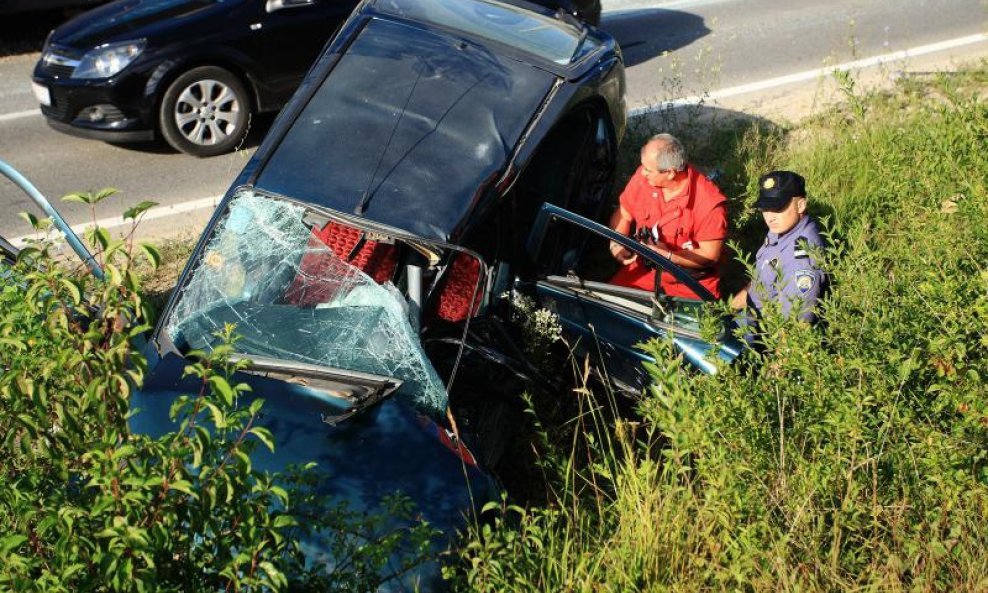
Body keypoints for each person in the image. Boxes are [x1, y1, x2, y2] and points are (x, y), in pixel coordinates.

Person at [608, 133, 728, 299]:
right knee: (608, 307)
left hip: (689, 282)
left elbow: (709, 255)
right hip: (644, 271)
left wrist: (669, 257)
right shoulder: (645, 179)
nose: (642, 173)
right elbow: (624, 212)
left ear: (670, 173)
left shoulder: (708, 204)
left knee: (694, 324)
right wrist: (616, 242)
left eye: (648, 170)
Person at [730, 170, 826, 323]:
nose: (769, 216)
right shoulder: (782, 228)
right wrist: (727, 310)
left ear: (800, 205)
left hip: (764, 335)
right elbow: (760, 282)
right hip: (749, 316)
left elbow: (794, 331)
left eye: (778, 208)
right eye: (765, 208)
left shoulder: (801, 261)